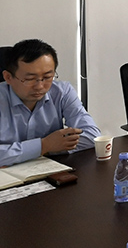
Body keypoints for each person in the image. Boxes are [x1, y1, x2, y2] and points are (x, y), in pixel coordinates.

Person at [0, 39, 100, 167]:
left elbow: (92, 135)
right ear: (8, 77)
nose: (40, 86)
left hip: (51, 170)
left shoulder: (62, 92)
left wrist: (48, 149)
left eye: (47, 77)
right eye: (30, 79)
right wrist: (44, 146)